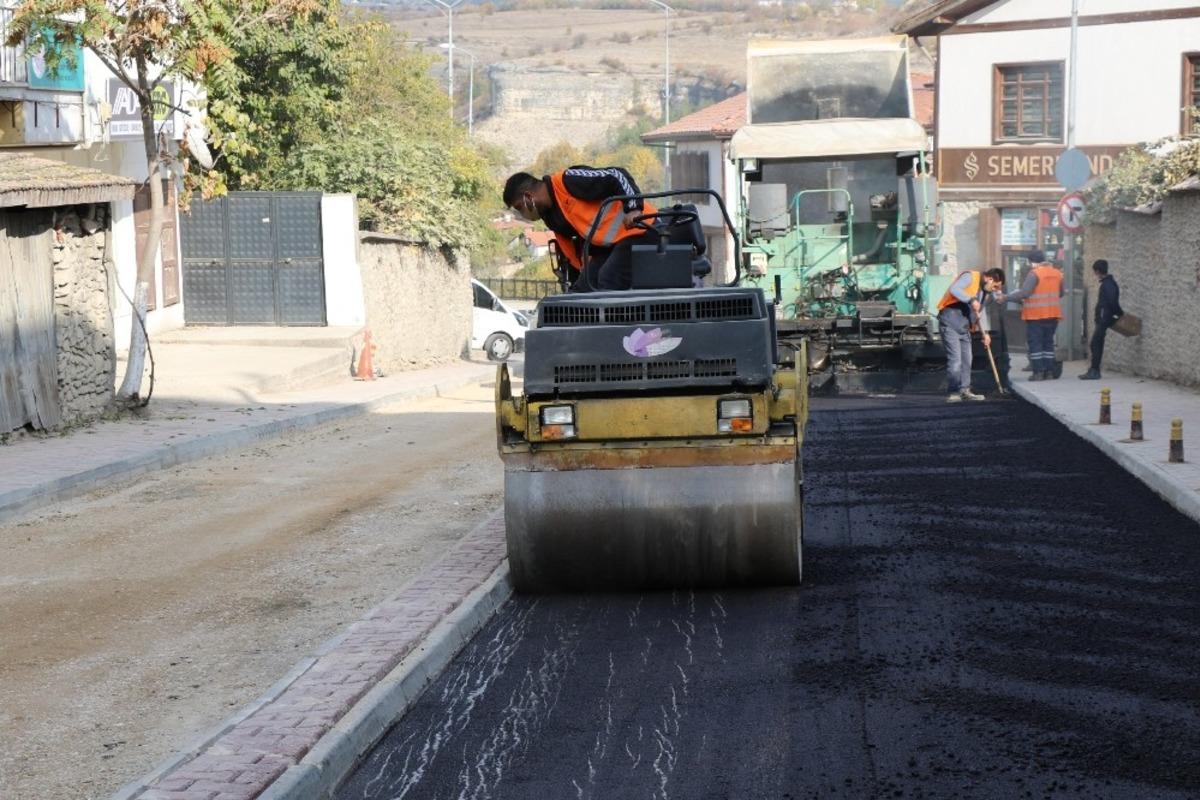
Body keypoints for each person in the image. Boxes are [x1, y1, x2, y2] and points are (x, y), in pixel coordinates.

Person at [503, 166, 657, 292]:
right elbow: (571, 251)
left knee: (609, 277)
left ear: (528, 197)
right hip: (610, 247)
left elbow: (617, 175)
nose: (522, 214)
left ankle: (610, 329)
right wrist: (580, 275)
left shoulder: (568, 181)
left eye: (519, 207)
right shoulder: (551, 217)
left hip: (641, 229)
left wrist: (634, 208)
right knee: (584, 287)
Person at [937, 267, 1006, 403]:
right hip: (950, 322)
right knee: (955, 360)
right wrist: (971, 300)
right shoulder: (970, 277)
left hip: (964, 327)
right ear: (989, 279)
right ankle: (954, 392)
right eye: (995, 286)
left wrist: (985, 333)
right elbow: (954, 290)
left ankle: (965, 390)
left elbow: (980, 313)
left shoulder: (983, 292)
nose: (994, 290)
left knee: (967, 360)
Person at [998, 250, 1062, 381]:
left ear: (1032, 262)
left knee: (1036, 344)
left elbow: (1024, 293)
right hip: (1053, 315)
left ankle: (1038, 372)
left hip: (1036, 316)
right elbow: (1060, 293)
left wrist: (1006, 297)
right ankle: (1049, 372)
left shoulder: (1034, 274)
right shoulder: (1058, 273)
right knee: (1048, 344)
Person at [1080, 259, 1123, 380]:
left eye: (1095, 271)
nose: (1094, 274)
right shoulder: (1108, 283)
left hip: (1104, 318)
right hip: (1104, 317)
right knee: (1097, 343)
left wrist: (1119, 313)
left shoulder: (1108, 284)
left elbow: (1112, 302)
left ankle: (1095, 371)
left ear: (1098, 271)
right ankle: (1094, 369)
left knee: (1095, 343)